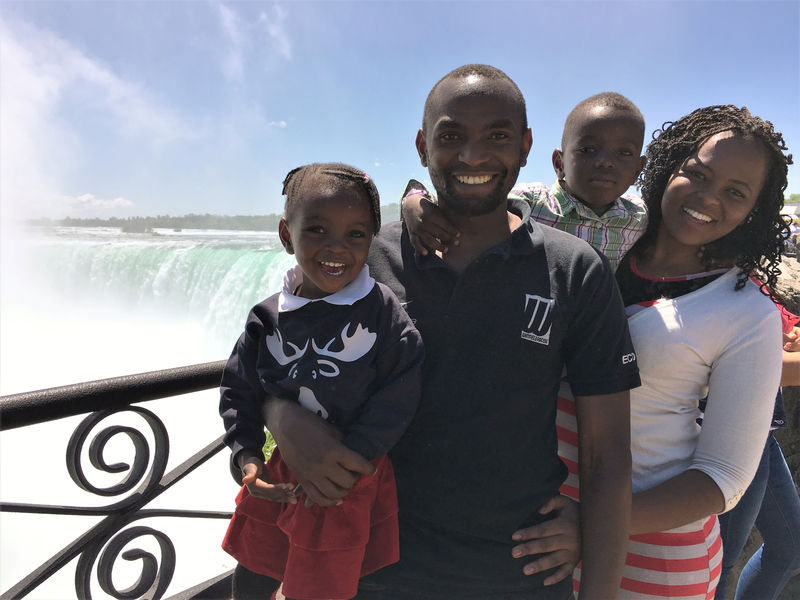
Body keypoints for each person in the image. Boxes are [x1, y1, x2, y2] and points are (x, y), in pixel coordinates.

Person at [261, 64, 641, 600]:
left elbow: (608, 457)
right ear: (422, 145)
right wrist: (280, 416)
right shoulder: (361, 258)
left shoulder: (574, 270)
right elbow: (266, 360)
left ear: (527, 145)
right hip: (365, 566)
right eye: (451, 136)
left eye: (498, 136)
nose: (473, 155)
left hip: (517, 573)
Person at [606, 105, 790, 598]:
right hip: (544, 528)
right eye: (698, 173)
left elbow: (724, 477)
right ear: (670, 166)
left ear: (755, 210)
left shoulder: (747, 313)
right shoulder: (602, 247)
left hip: (655, 556)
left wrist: (589, 524)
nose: (708, 198)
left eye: (735, 192)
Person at [218, 163, 425, 600]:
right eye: (317, 229)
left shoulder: (382, 311)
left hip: (347, 484)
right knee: (254, 572)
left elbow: (401, 390)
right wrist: (246, 455)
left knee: (326, 585)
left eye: (356, 234)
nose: (337, 248)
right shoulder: (268, 316)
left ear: (371, 239)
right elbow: (240, 388)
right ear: (285, 233)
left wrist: (351, 459)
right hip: (278, 480)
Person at [401, 91, 648, 271]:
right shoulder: (531, 202)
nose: (606, 162)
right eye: (588, 150)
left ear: (638, 169)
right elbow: (454, 202)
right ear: (559, 164)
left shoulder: (638, 217)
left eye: (623, 153)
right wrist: (413, 202)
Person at [714, 322, 800, 600]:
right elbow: (774, 368)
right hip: (736, 433)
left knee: (791, 546)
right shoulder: (730, 286)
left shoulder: (747, 285)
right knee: (718, 564)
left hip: (760, 430)